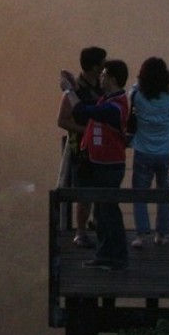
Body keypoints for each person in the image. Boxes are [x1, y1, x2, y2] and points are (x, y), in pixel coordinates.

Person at [63, 59, 132, 270]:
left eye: (103, 75)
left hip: (109, 166)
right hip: (99, 163)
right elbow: (89, 104)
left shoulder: (116, 107)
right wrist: (75, 87)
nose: (100, 78)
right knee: (102, 213)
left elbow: (84, 111)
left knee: (109, 212)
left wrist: (68, 92)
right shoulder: (109, 99)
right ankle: (104, 255)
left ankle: (118, 258)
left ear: (111, 78)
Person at [128, 57, 169, 248]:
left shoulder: (138, 97)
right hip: (167, 154)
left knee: (140, 194)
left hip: (143, 152)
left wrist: (141, 79)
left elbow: (132, 90)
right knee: (165, 194)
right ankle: (162, 234)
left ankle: (141, 235)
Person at [58, 46, 108, 245]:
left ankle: (97, 222)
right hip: (81, 149)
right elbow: (62, 121)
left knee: (102, 187)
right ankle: (80, 232)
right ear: (95, 67)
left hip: (103, 148)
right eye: (103, 63)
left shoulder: (103, 87)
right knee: (84, 191)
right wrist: (87, 131)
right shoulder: (74, 90)